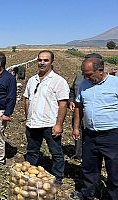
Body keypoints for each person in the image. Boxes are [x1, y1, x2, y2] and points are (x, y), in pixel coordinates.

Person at [70, 57, 118, 200]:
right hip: (90, 134)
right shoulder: (84, 84)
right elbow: (79, 106)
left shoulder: (115, 83)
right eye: (84, 74)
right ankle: (88, 193)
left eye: (89, 74)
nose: (86, 77)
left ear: (100, 70)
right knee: (89, 167)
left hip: (112, 135)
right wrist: (76, 127)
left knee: (114, 169)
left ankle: (112, 196)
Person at [23, 50, 69, 186]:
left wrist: (59, 124)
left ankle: (58, 176)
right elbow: (26, 100)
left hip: (50, 124)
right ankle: (29, 174)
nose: (42, 63)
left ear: (52, 62)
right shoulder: (32, 80)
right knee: (31, 150)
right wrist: (28, 118)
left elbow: (63, 104)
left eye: (46, 60)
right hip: (33, 123)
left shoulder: (58, 81)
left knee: (56, 152)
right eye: (40, 60)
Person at [68, 53, 103, 160]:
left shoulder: (110, 80)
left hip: (96, 113)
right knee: (78, 130)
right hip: (79, 109)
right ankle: (78, 154)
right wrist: (71, 100)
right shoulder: (79, 77)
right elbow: (72, 90)